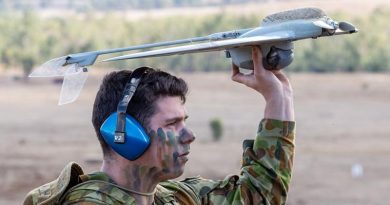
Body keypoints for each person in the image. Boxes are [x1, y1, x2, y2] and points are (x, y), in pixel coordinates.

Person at [24, 46, 295, 205]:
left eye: (184, 121)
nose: (190, 136)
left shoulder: (170, 197)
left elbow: (259, 196)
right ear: (125, 136)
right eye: (173, 124)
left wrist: (279, 97)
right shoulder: (90, 202)